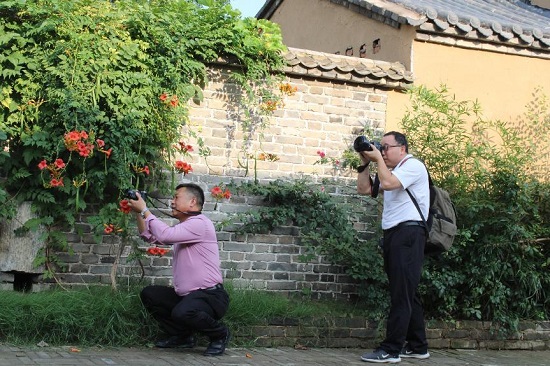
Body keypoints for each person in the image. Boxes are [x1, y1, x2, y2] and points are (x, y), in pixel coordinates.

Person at [127, 183, 230, 356]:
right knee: (150, 294)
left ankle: (220, 334)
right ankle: (183, 337)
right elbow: (149, 237)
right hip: (189, 296)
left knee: (184, 311)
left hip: (211, 296)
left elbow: (165, 235)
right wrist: (139, 212)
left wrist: (145, 210)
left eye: (176, 197)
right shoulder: (184, 229)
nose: (172, 202)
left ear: (192, 202)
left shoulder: (200, 224)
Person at [356, 131, 430, 363]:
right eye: (381, 147)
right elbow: (365, 190)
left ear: (403, 148)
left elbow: (387, 184)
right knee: (407, 290)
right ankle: (418, 346)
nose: (383, 151)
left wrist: (378, 159)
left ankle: (391, 350)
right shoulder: (393, 169)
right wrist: (364, 163)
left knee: (401, 294)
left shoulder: (413, 166)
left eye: (387, 147)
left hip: (409, 233)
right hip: (396, 234)